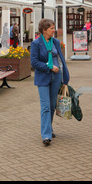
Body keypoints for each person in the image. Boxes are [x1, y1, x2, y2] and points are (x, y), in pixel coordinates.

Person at [30, 18, 70, 146]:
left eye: (54, 28)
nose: (54, 30)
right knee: (46, 106)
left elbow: (61, 59)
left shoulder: (56, 42)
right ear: (44, 30)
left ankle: (49, 128)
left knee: (52, 105)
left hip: (56, 77)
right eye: (52, 28)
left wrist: (65, 78)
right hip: (42, 78)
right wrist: (49, 66)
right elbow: (34, 62)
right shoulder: (36, 44)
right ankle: (46, 135)